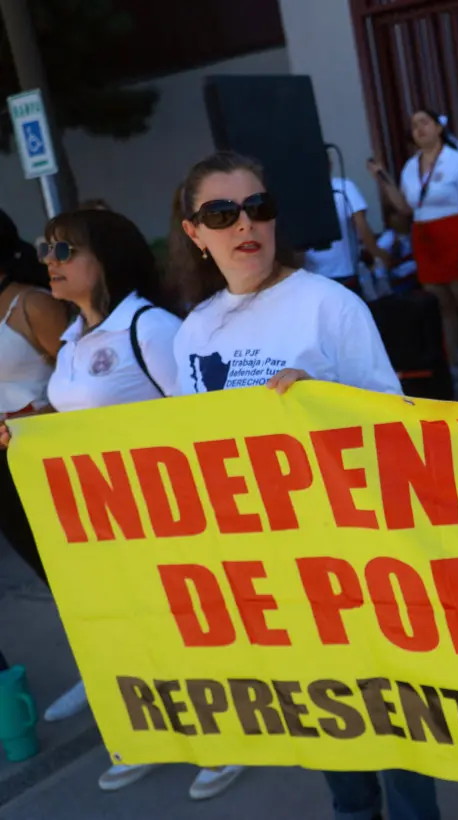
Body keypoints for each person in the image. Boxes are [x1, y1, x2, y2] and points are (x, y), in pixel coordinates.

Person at [169, 150, 439, 820]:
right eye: (221, 213)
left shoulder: (330, 305)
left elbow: (396, 427)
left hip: (354, 548)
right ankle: (351, 809)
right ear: (194, 232)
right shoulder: (194, 330)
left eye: (258, 207)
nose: (244, 225)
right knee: (318, 707)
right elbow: (181, 447)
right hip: (266, 564)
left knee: (390, 705)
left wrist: (328, 401)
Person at [0, 208, 244, 801]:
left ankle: (221, 739)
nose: (48, 263)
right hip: (94, 518)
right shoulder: (75, 338)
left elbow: (191, 415)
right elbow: (74, 410)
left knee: (175, 629)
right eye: (47, 249)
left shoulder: (151, 328)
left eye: (64, 252)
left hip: (157, 513)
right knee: (122, 632)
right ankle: (149, 735)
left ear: (103, 259)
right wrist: (29, 424)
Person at [368, 110, 458, 388]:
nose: (419, 129)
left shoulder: (457, 160)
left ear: (438, 127)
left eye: (424, 122)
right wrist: (382, 178)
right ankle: (451, 363)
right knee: (442, 306)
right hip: (425, 238)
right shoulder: (411, 167)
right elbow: (404, 207)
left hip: (455, 233)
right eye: (414, 125)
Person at [0, 209, 66, 590]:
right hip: (3, 461)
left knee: (71, 566)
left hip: (44, 450)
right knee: (45, 571)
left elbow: (79, 375)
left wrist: (44, 416)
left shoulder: (33, 305)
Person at [305, 153, 391, 301]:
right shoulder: (344, 186)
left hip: (312, 277)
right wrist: (379, 254)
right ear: (329, 164)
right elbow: (361, 226)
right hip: (343, 273)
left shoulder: (298, 194)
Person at [376, 198, 417, 284]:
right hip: (400, 280)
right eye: (395, 215)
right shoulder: (387, 238)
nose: (399, 218)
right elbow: (379, 268)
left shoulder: (416, 232)